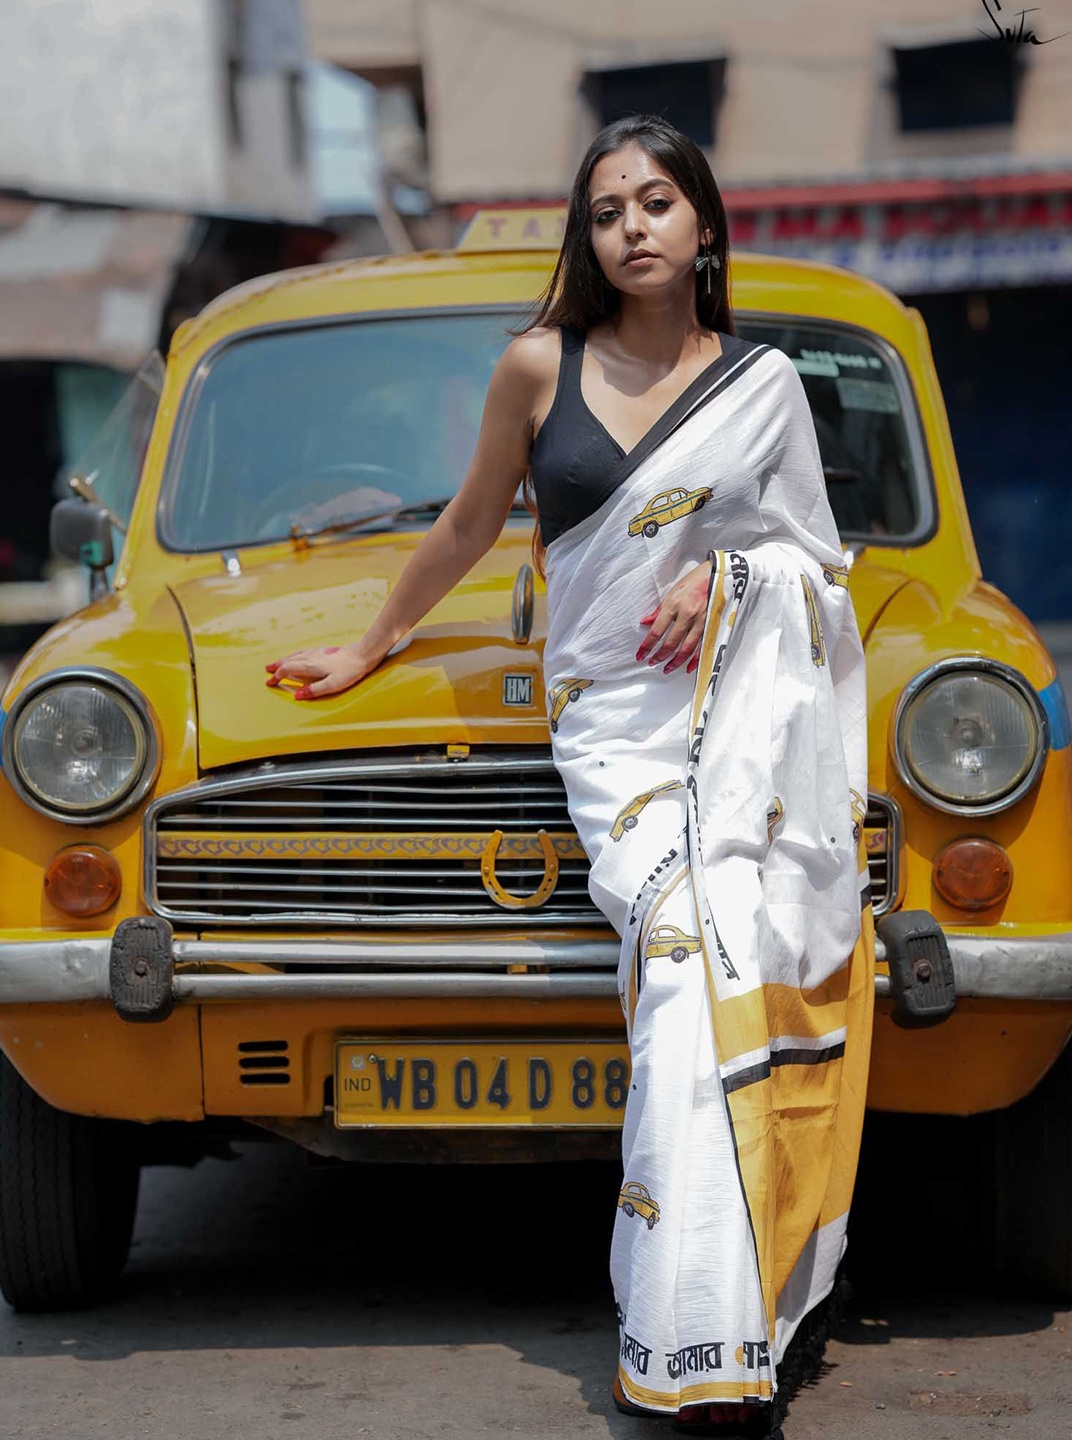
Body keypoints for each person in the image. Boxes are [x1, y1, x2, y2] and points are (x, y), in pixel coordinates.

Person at [265, 115, 874, 1440]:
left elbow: (818, 566)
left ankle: (716, 1331)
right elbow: (473, 524)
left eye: (658, 203)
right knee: (681, 949)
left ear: (704, 224)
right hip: (616, 728)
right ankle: (702, 1321)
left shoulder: (765, 384)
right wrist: (372, 641)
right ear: (585, 237)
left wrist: (730, 580)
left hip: (745, 719)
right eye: (608, 211)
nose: (634, 228)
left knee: (724, 962)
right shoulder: (539, 364)